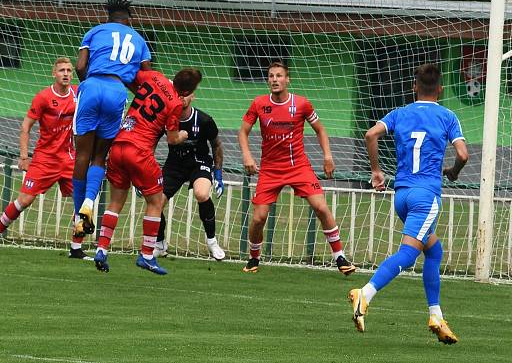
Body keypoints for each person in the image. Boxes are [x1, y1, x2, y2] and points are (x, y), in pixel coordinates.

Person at [349, 64, 466, 344]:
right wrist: (453, 171)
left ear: (415, 87)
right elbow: (463, 154)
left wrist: (376, 171)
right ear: (440, 89)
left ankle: (436, 316)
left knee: (434, 251)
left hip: (401, 196)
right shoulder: (448, 116)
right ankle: (365, 293)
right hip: (426, 197)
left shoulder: (399, 114)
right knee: (409, 254)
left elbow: (370, 135)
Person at [238, 61, 355, 275]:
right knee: (258, 218)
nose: (274, 79)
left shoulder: (301, 104)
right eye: (271, 76)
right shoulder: (259, 103)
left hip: (298, 166)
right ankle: (254, 257)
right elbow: (243, 131)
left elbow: (320, 129)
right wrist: (247, 155)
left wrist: (328, 156)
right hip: (270, 169)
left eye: (279, 75)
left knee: (321, 207)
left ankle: (340, 257)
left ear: (287, 79)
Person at [0, 57, 90, 259]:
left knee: (84, 202)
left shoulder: (78, 92)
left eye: (68, 70)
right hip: (44, 159)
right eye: (61, 70)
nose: (65, 73)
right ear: (53, 74)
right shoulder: (43, 97)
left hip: (69, 159)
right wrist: (24, 157)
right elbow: (25, 127)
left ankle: (76, 248)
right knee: (24, 200)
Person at [94, 68, 201, 275]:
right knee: (156, 201)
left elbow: (130, 79)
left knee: (115, 202)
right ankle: (147, 255)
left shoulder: (154, 76)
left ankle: (101, 249)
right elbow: (171, 139)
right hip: (140, 151)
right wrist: (183, 134)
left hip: (118, 144)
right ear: (188, 91)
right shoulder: (176, 104)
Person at [72, 0, 152, 239]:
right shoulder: (139, 40)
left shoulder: (94, 31)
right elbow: (146, 79)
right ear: (129, 19)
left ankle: (79, 216)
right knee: (99, 156)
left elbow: (80, 66)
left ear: (108, 17)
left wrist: (90, 84)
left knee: (82, 154)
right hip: (117, 91)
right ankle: (89, 201)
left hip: (92, 85)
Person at [153, 94, 226, 261]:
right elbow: (152, 142)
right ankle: (159, 244)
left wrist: (218, 174)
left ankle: (212, 242)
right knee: (156, 202)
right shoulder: (166, 119)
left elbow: (216, 145)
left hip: (199, 161)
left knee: (201, 194)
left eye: (185, 94)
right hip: (174, 164)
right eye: (178, 94)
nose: (181, 98)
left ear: (192, 96)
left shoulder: (204, 120)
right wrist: (144, 171)